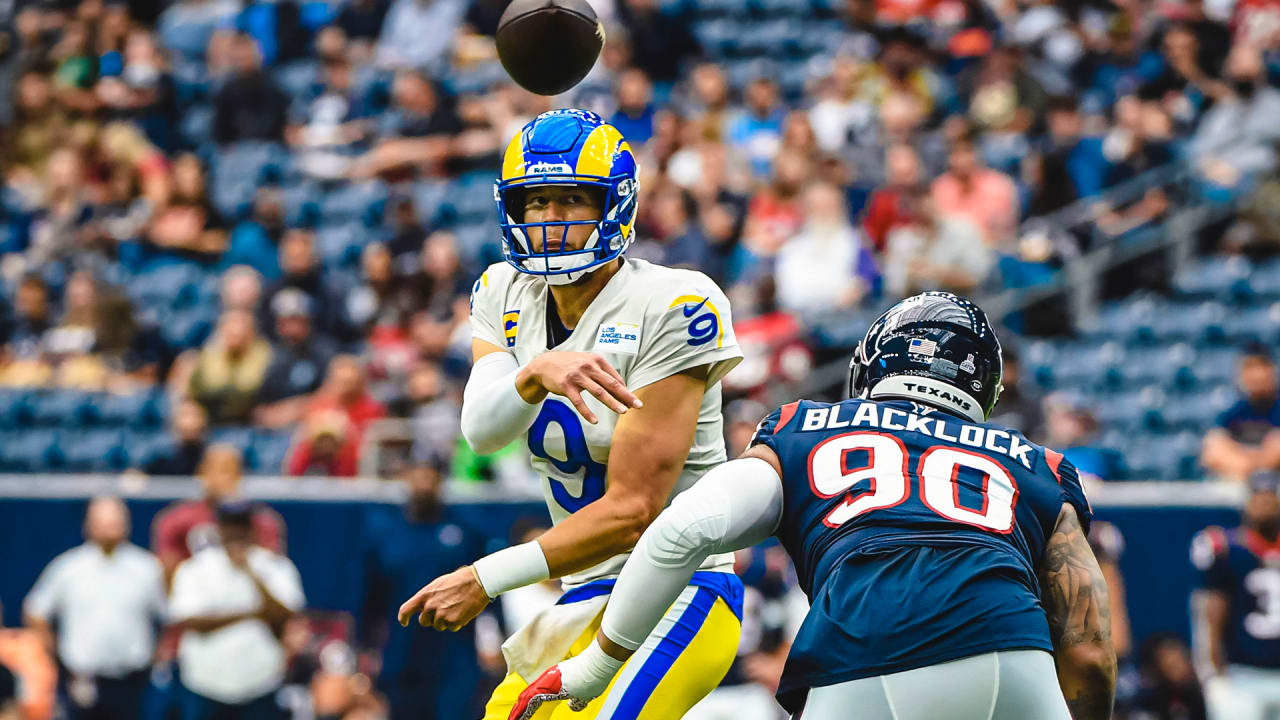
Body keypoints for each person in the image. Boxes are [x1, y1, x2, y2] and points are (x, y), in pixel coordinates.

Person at [513, 292, 1115, 720]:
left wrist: (594, 668)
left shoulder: (807, 427)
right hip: (1015, 661)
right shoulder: (1039, 464)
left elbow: (684, 528)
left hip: (863, 656)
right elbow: (1088, 649)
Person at [396, 108, 745, 720]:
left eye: (571, 202)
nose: (551, 223)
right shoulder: (502, 290)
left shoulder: (674, 303)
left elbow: (633, 512)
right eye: (536, 204)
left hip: (678, 587)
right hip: (584, 594)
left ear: (615, 206)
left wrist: (485, 578)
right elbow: (481, 431)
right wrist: (533, 375)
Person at [359, 458, 489, 719]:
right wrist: (364, 648)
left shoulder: (465, 532)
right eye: (417, 477)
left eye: (429, 478)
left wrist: (491, 639)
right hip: (401, 654)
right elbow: (370, 598)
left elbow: (488, 593)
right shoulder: (386, 534)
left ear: (440, 482)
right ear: (406, 479)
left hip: (454, 655)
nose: (423, 485)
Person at [23, 497, 166, 720]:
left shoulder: (147, 567)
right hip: (83, 679)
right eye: (102, 522)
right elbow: (35, 610)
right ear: (87, 525)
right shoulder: (68, 567)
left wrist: (160, 653)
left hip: (133, 681)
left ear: (127, 524)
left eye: (114, 522)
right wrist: (57, 655)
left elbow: (170, 615)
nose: (108, 529)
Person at [169, 501, 305, 720]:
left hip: (260, 685)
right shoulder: (196, 569)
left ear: (252, 530)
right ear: (219, 529)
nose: (236, 533)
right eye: (230, 526)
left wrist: (252, 574)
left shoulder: (274, 566)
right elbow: (191, 620)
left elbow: (286, 616)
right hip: (204, 684)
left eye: (241, 526)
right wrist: (250, 615)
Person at [1190, 473, 1280, 720]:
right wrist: (1213, 667)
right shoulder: (1228, 547)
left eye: (1270, 497)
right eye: (1258, 497)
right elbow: (1212, 609)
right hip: (1243, 672)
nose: (1265, 504)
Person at [152, 444, 285, 581]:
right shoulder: (176, 520)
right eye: (215, 470)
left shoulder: (262, 522)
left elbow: (273, 574)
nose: (223, 478)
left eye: (231, 471)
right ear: (201, 473)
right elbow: (167, 574)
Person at [1202, 345, 1280, 482]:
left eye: (1262, 366)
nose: (1256, 374)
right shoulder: (1236, 411)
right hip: (1245, 483)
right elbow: (1213, 453)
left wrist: (1239, 454)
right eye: (1249, 367)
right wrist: (1256, 462)